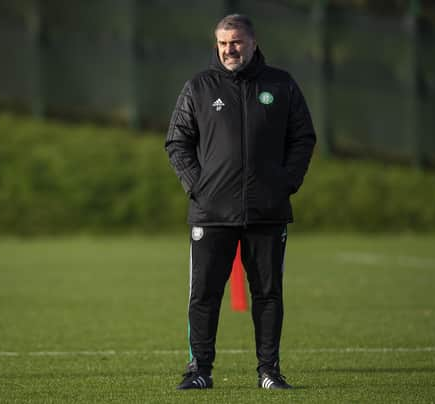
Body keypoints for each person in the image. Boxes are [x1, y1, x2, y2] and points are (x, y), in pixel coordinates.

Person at [165, 14, 316, 390]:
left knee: (267, 294)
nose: (229, 49)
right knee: (204, 294)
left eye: (236, 42)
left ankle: (269, 372)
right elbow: (177, 142)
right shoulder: (199, 87)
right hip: (211, 212)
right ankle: (199, 370)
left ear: (252, 42)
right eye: (222, 43)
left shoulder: (281, 84)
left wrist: (286, 182)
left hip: (267, 210)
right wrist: (198, 186)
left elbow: (303, 138)